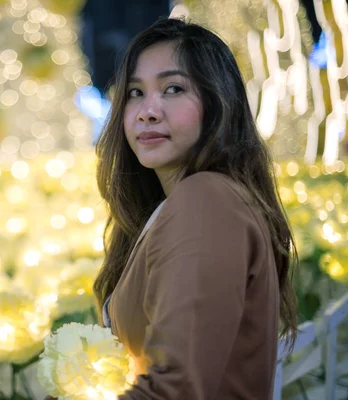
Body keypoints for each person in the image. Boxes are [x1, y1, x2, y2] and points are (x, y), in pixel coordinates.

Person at [91, 18, 298, 399]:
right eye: (135, 93)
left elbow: (176, 389)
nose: (147, 111)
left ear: (217, 103)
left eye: (173, 89)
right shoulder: (188, 201)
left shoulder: (207, 200)